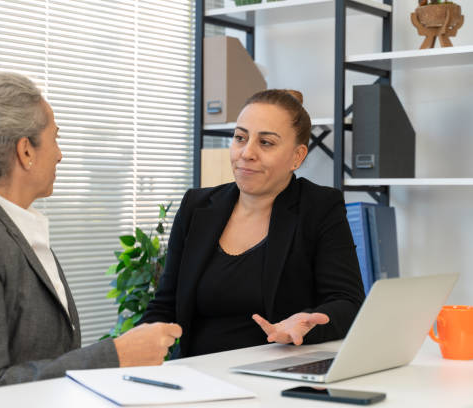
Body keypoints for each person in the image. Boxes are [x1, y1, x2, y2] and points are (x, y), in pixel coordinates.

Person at [0, 72, 182, 408]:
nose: (60, 155)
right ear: (26, 150)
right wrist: (116, 355)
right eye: (55, 138)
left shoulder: (16, 228)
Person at [140, 89, 365, 358]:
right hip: (197, 373)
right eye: (240, 138)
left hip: (275, 372)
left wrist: (305, 322)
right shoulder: (196, 207)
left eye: (266, 143)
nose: (246, 153)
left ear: (297, 156)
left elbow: (347, 302)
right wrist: (127, 354)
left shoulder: (318, 208)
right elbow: (165, 305)